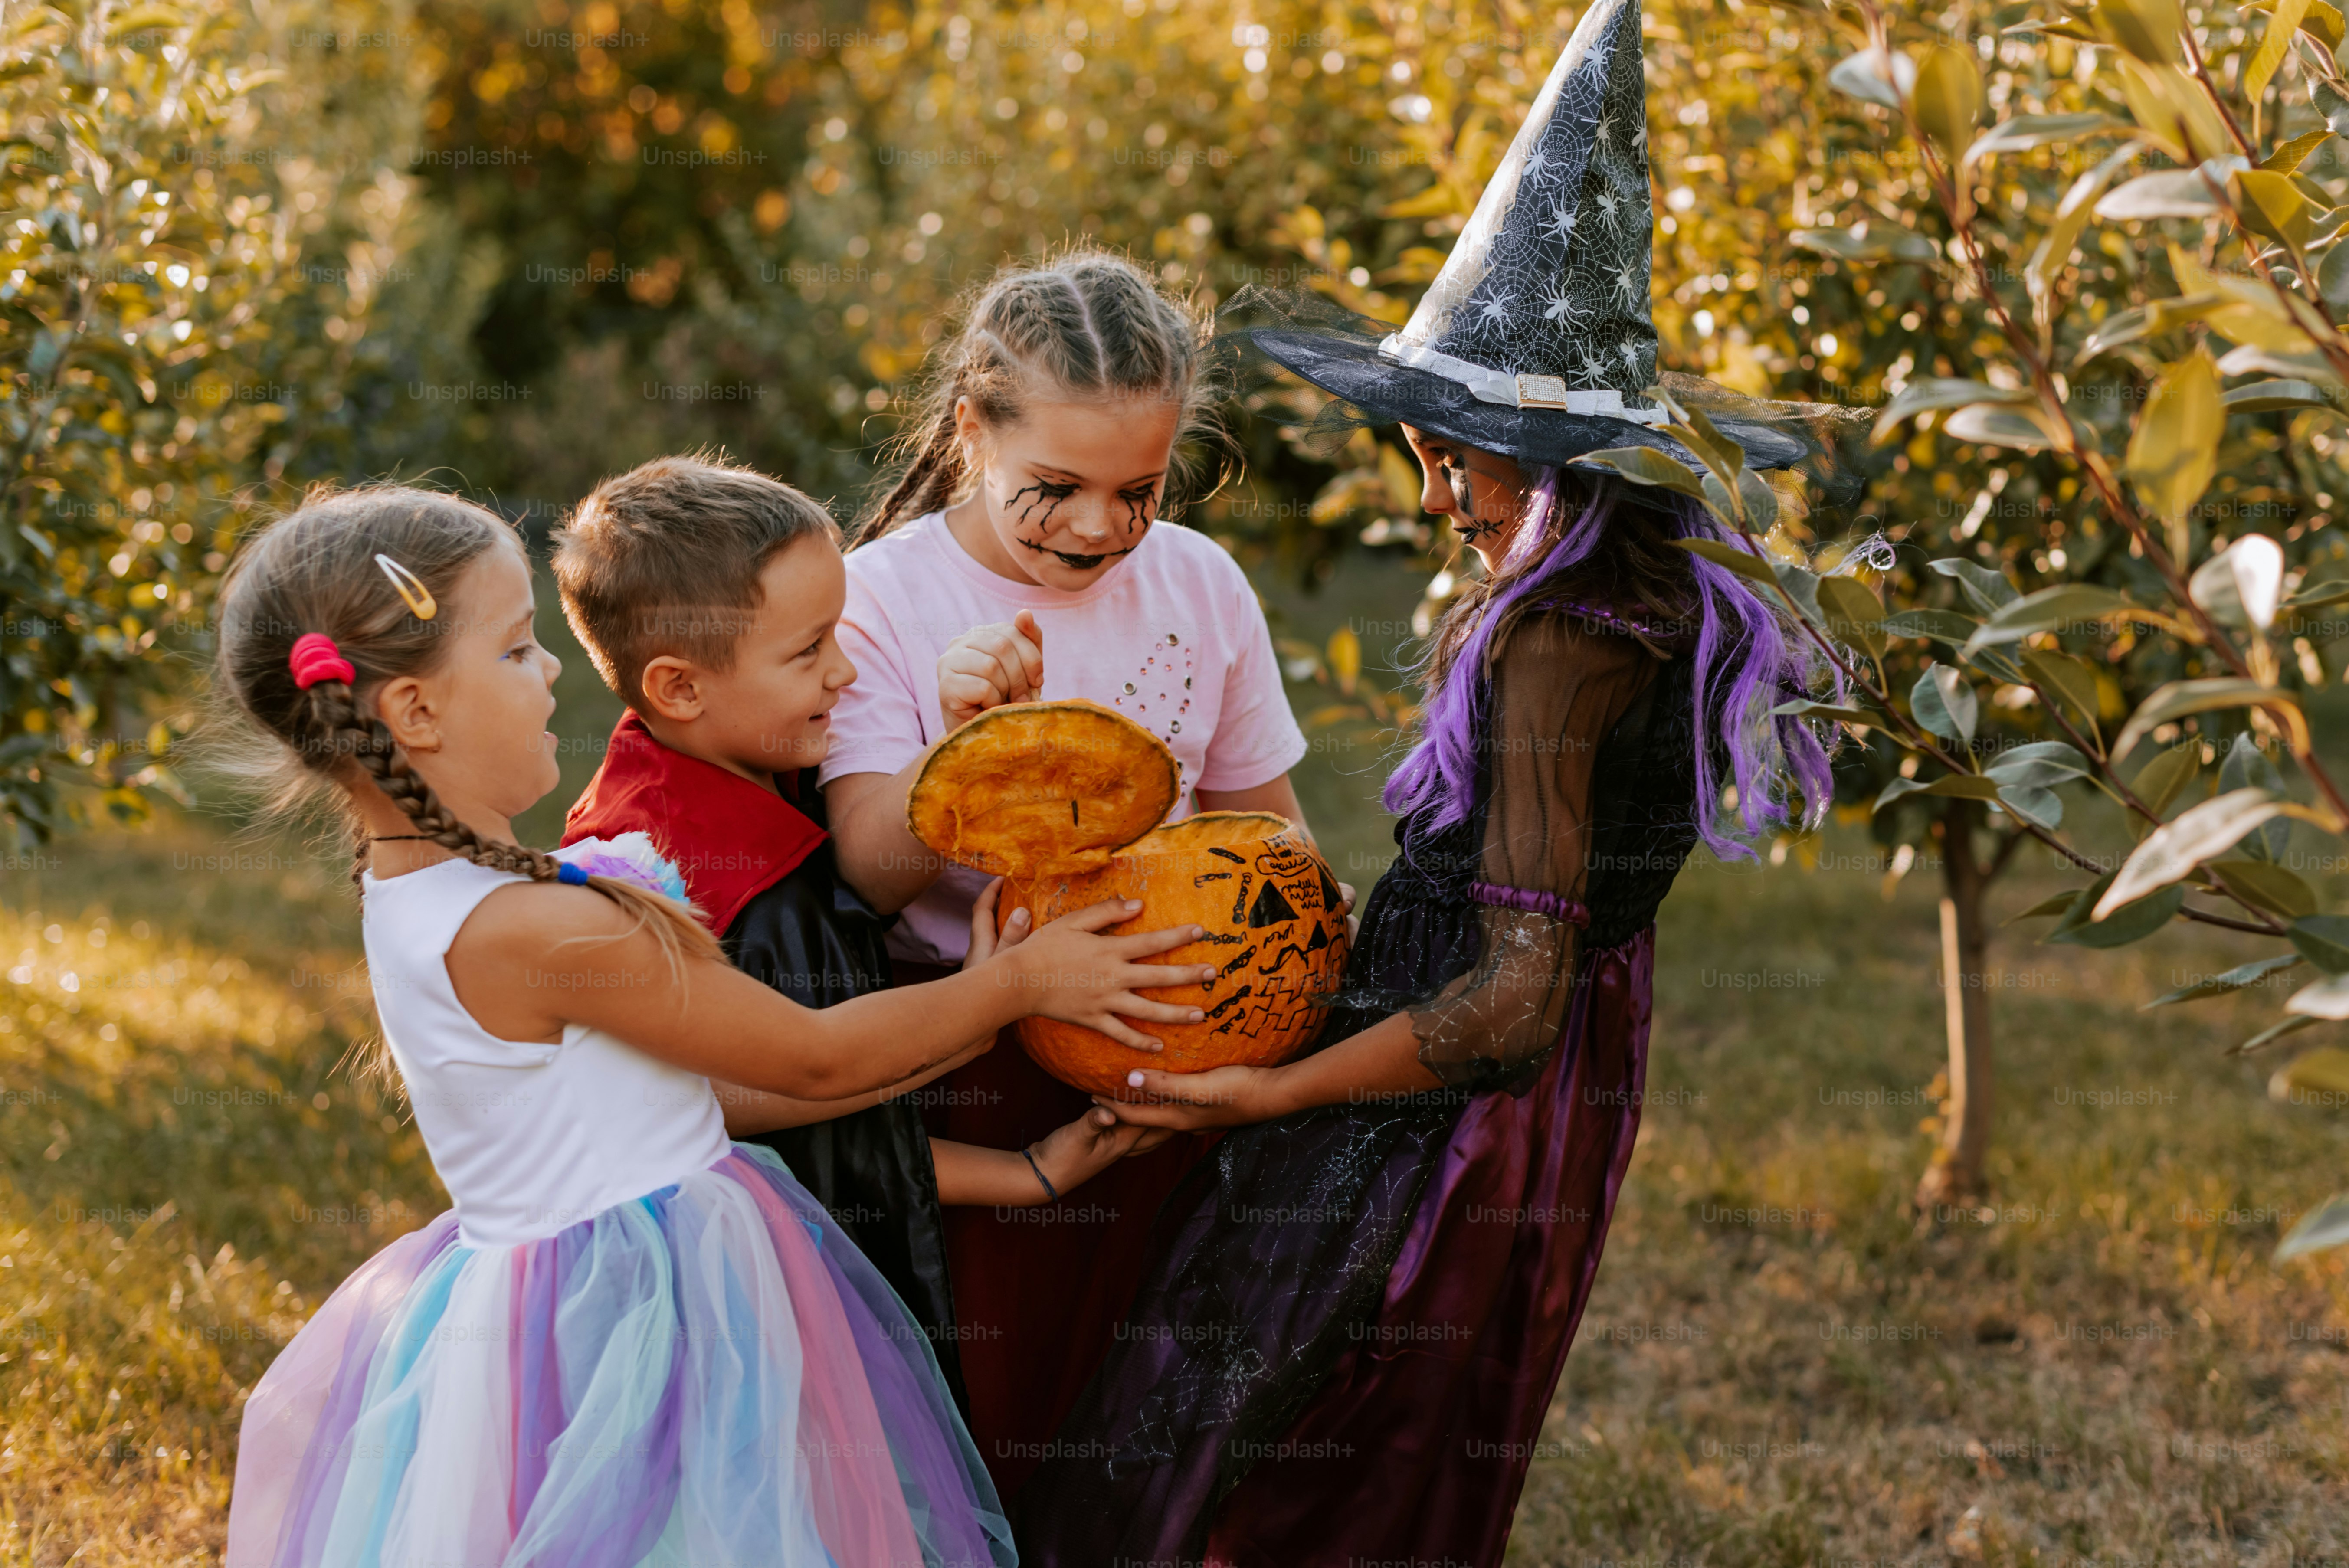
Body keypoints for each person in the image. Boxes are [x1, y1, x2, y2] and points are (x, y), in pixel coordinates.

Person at [1019, 2, 1847, 1561]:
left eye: (1461, 455)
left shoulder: (1558, 637)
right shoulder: (1654, 587)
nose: (1432, 489)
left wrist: (1275, 1086)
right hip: (1540, 1097)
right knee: (1393, 1432)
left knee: (1278, 1415)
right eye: (1420, 447)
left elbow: (1508, 997)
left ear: (1563, 464)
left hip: (1438, 1103)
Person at [215, 483, 1222, 1564]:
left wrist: (1002, 1106)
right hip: (647, 1321)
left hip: (561, 1312)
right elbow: (812, 1050)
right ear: (415, 713)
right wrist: (1020, 984)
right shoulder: (539, 928)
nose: (552, 667)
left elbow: (731, 1090)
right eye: (515, 650)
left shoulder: (416, 891)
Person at [816, 247, 1340, 1499]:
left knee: (1151, 1427)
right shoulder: (878, 601)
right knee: (995, 1425)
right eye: (1057, 487)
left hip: (1185, 1062)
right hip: (976, 1068)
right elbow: (867, 878)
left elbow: (1271, 835)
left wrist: (1291, 980)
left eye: (1142, 488)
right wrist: (967, 756)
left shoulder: (1201, 585)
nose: (1104, 526)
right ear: (969, 432)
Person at [551, 453, 1156, 1412]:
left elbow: (830, 1109)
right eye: (808, 651)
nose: (847, 669)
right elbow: (764, 1098)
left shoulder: (761, 773)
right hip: (740, 1335)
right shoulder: (670, 883)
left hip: (825, 1284)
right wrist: (1008, 993)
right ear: (678, 685)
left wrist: (1022, 1165)